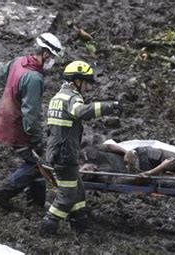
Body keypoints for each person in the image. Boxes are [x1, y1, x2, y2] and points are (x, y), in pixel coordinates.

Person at [41, 60, 122, 236]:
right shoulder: (72, 97)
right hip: (64, 155)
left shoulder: (58, 97)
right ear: (76, 81)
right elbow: (81, 112)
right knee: (68, 196)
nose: (88, 88)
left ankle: (80, 224)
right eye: (86, 83)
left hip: (58, 152)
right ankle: (49, 226)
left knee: (78, 191)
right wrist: (110, 107)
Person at [0, 32, 63, 210]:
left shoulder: (20, 62)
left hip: (5, 119)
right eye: (52, 57)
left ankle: (35, 202)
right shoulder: (34, 78)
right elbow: (32, 114)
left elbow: (0, 71)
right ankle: (4, 191)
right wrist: (36, 140)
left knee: (35, 162)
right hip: (18, 127)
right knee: (38, 164)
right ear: (45, 54)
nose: (53, 61)